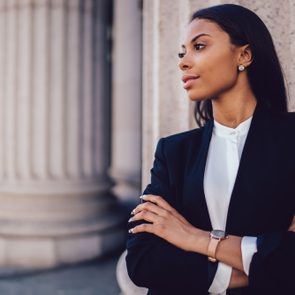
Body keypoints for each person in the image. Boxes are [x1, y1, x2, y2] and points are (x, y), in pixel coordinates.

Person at [125, 4, 295, 295]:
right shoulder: (174, 151)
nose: (183, 62)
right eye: (182, 53)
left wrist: (194, 238)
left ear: (244, 54)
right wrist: (254, 269)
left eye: (199, 46)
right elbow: (143, 261)